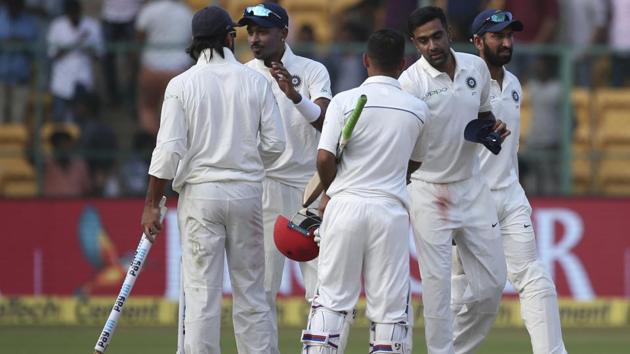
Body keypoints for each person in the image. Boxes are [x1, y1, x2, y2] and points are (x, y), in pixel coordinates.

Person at [140, 6, 286, 353]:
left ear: (194, 42)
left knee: (202, 295)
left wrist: (150, 205)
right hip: (247, 193)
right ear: (228, 37)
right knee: (252, 292)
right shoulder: (254, 80)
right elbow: (276, 144)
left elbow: (169, 151)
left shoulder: (181, 84)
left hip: (201, 195)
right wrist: (247, 164)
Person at [301, 28, 429, 354]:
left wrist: (333, 189)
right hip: (390, 210)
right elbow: (414, 163)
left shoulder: (344, 100)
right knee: (389, 309)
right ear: (402, 63)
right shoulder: (417, 108)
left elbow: (324, 157)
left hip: (344, 207)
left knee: (331, 302)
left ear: (365, 60)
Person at [452, 9, 568, 354]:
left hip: (510, 195)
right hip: (472, 200)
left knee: (533, 275)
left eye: (509, 36)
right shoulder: (461, 84)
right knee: (466, 290)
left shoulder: (514, 83)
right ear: (476, 42)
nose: (506, 42)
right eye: (497, 36)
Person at [399, 6, 509, 354]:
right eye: (422, 41)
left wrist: (493, 130)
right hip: (429, 190)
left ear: (448, 31)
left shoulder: (475, 66)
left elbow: (483, 116)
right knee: (436, 288)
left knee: (493, 285)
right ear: (414, 44)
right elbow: (401, 143)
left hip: (472, 185)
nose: (432, 46)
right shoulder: (409, 83)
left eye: (436, 36)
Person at [237, 3, 332, 353]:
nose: (255, 39)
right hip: (263, 189)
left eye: (262, 31)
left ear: (284, 34)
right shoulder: (242, 74)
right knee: (260, 291)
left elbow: (324, 120)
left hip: (311, 189)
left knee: (324, 289)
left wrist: (295, 96)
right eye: (251, 32)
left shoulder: (312, 70)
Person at [135, 0, 193, 135]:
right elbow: (193, 41)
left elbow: (139, 37)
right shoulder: (186, 12)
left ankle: (152, 146)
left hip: (151, 67)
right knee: (177, 114)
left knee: (148, 108)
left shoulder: (149, 10)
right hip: (179, 70)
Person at [47, 0, 103, 123]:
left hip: (83, 79)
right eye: (71, 14)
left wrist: (86, 46)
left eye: (76, 13)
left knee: (81, 121)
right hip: (61, 82)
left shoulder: (91, 26)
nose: (74, 17)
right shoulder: (57, 26)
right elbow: (53, 54)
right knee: (59, 119)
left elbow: (98, 55)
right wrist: (76, 42)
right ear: (67, 14)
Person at [0, 0, 39, 124]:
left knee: (18, 118)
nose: (13, 7)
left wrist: (21, 42)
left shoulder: (29, 22)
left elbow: (36, 50)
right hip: (1, 76)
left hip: (20, 77)